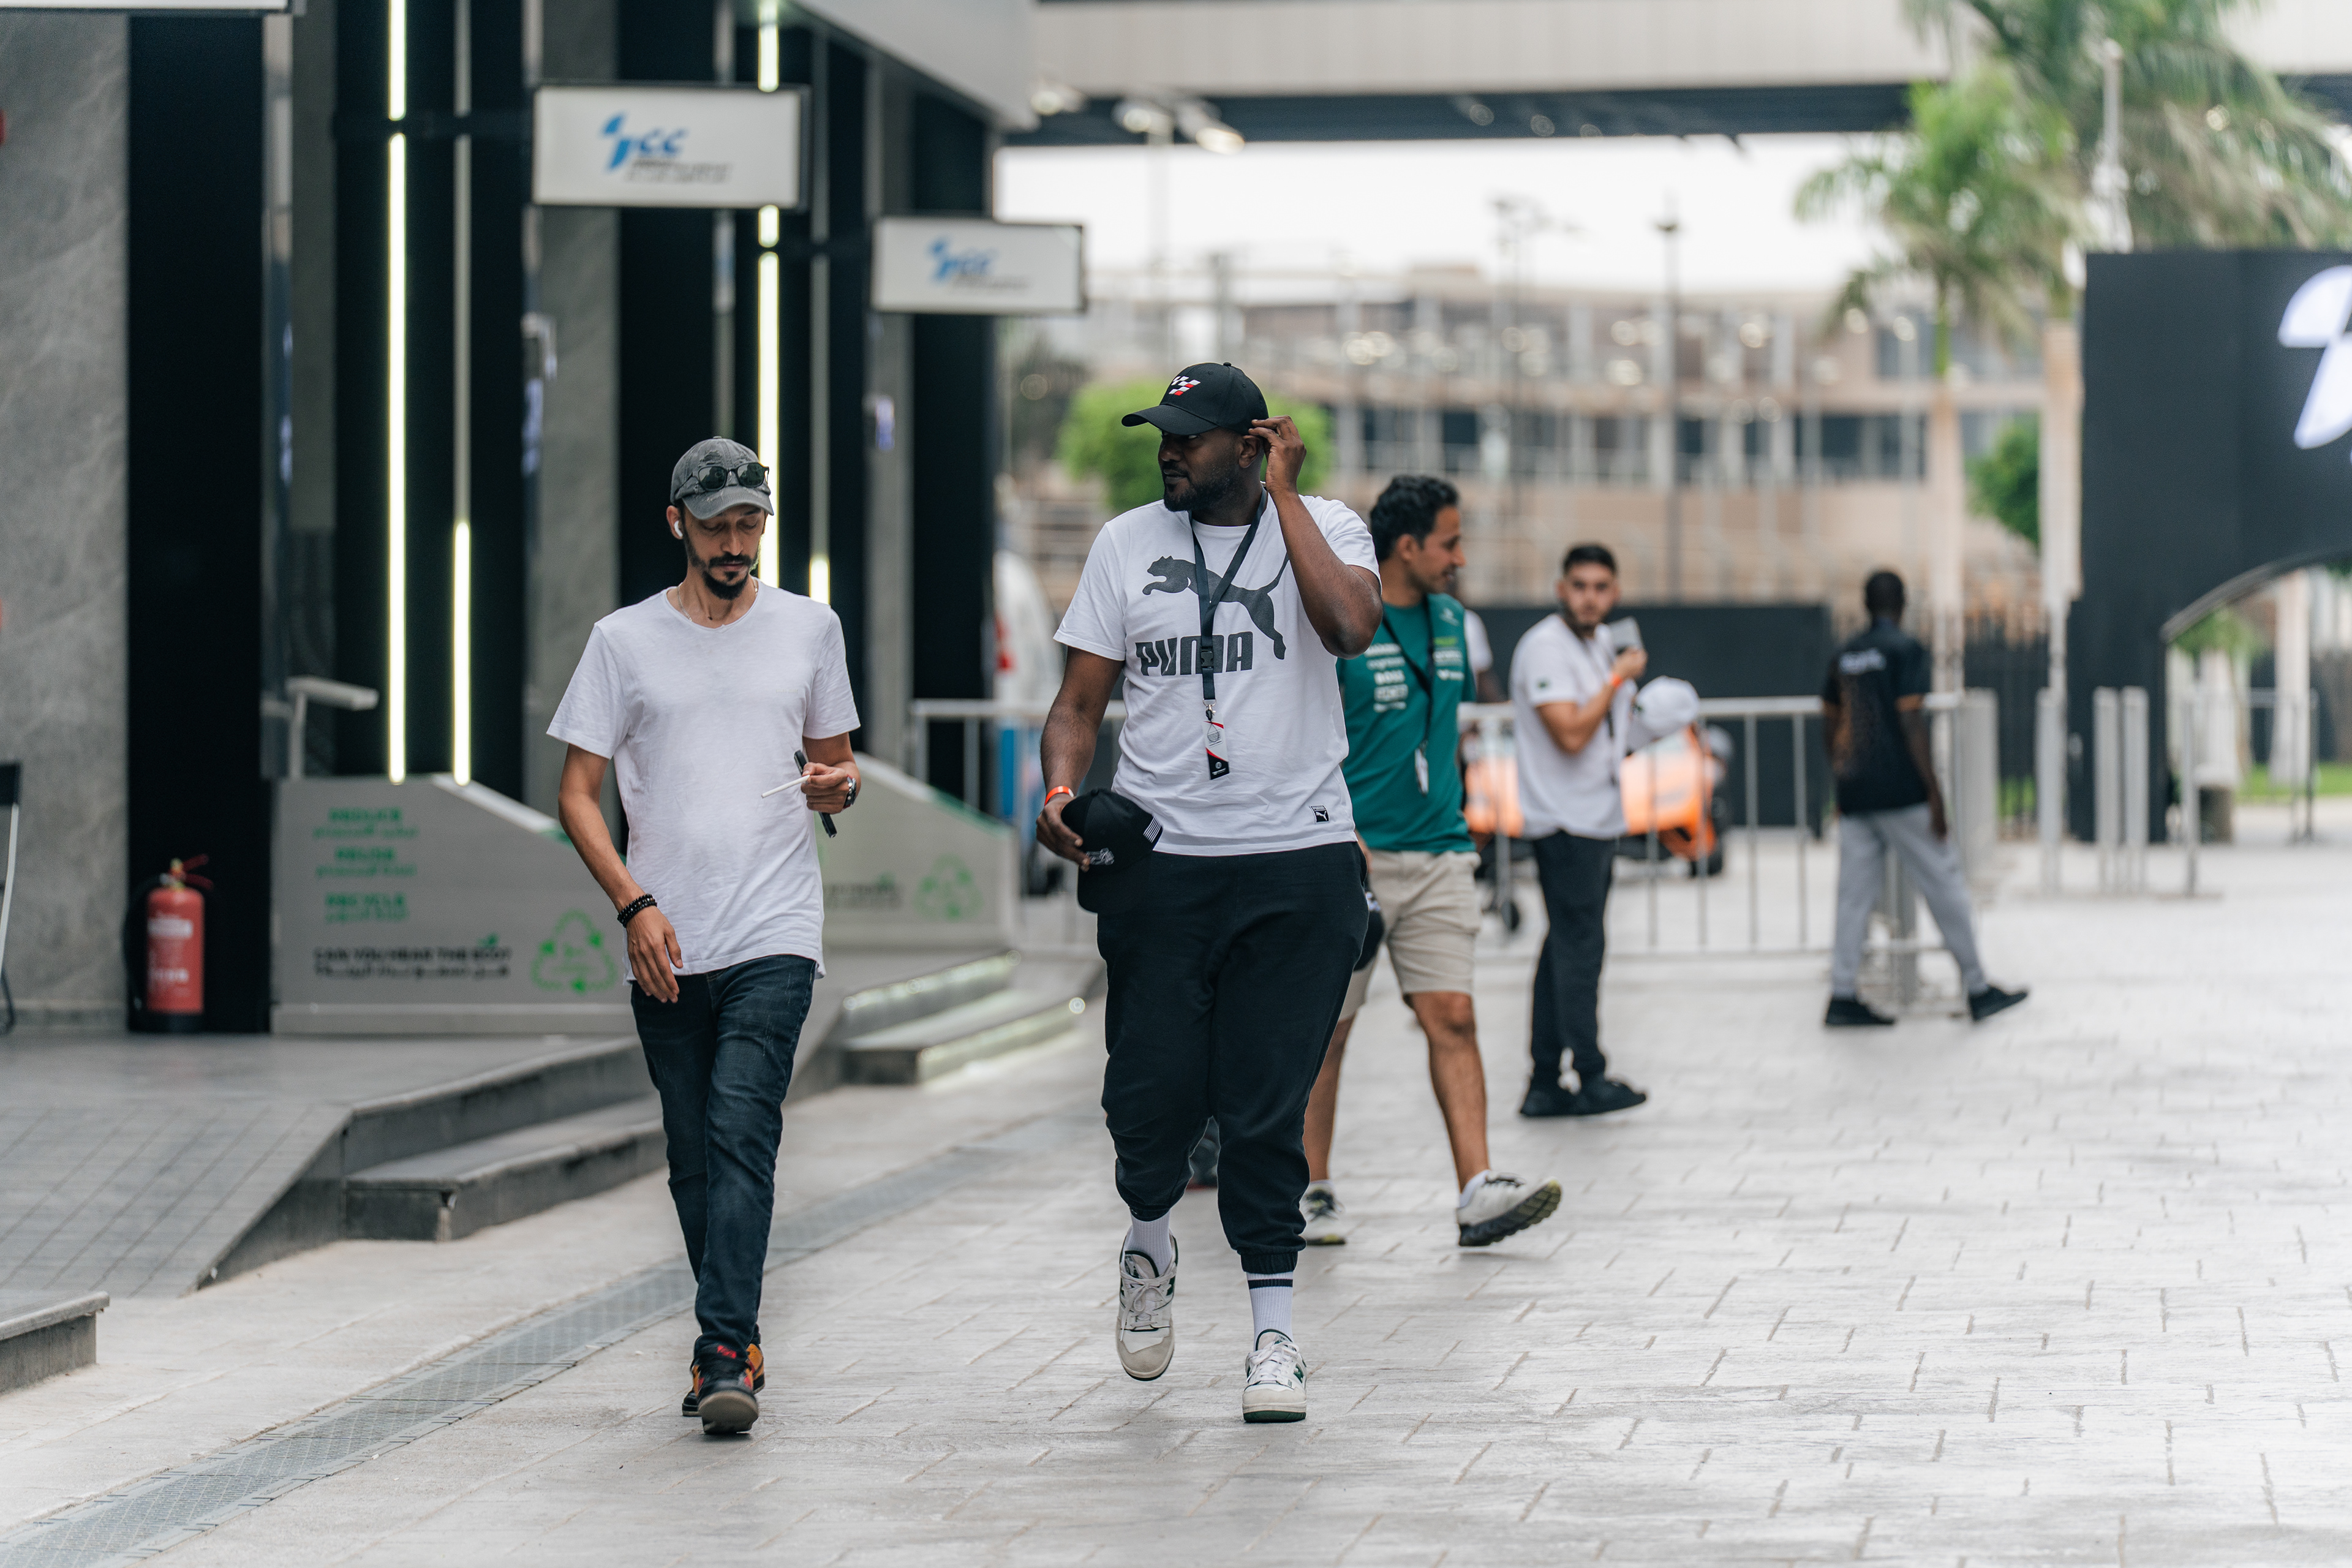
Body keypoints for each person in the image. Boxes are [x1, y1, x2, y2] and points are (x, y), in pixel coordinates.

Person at [1037, 362, 1379, 1425]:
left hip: (1297, 859)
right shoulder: (1125, 544)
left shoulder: (1328, 527)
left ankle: (1274, 1335)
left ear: (1252, 443)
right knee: (1149, 1102)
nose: (1169, 452)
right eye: (1163, 435)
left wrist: (1286, 499)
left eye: (1190, 436)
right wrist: (1060, 790)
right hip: (1163, 864)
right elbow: (1078, 703)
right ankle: (1149, 1243)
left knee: (1266, 1108)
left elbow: (1350, 627)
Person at [549, 437, 862, 1436]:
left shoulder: (809, 629)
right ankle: (737, 1335)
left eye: (750, 525)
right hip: (668, 939)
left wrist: (838, 787)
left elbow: (837, 766)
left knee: (739, 1131)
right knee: (692, 1157)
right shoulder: (623, 642)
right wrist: (633, 903)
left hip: (774, 926)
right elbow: (577, 794)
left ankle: (723, 1350)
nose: (735, 545)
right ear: (677, 523)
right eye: (718, 526)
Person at [1302, 474, 1562, 1249]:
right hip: (1352, 855)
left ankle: (1477, 1189)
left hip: (1442, 848)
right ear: (1407, 547)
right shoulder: (1343, 618)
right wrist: (1330, 829)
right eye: (1449, 543)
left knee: (1454, 1014)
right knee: (1327, 1030)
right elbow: (1306, 732)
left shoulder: (1454, 622)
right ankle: (1309, 1190)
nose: (1460, 557)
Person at [1822, 571, 2027, 1027]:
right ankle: (1977, 986)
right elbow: (1911, 722)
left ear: (1865, 604)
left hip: (1856, 792)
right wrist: (1934, 792)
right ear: (1902, 605)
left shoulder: (1845, 655)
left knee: (1853, 897)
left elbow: (1830, 723)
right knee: (1943, 882)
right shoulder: (1906, 650)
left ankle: (1842, 994)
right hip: (1901, 790)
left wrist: (1841, 777)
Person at [1510, 543, 1668, 1118]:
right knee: (1581, 951)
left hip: (1596, 817)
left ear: (1616, 593)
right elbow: (1572, 733)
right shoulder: (1545, 647)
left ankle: (1544, 1081)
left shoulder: (1602, 644)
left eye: (1601, 588)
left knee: (1564, 948)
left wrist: (1656, 719)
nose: (1590, 598)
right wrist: (1617, 679)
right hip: (1564, 821)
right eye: (1579, 586)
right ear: (1561, 589)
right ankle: (1590, 1073)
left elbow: (1608, 739)